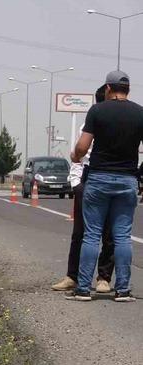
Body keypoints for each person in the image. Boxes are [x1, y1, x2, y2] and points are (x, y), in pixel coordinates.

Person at [67, 71, 142, 302]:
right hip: (127, 180)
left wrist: (76, 157)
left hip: (99, 178)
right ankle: (122, 290)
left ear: (108, 88)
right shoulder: (140, 113)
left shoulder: (98, 111)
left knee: (91, 235)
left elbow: (83, 145)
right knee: (122, 236)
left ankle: (82, 290)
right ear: (127, 89)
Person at [53, 85, 115, 293]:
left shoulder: (118, 124)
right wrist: (77, 185)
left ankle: (103, 278)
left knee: (109, 233)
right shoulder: (89, 125)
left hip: (110, 180)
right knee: (80, 232)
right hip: (87, 180)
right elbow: (78, 155)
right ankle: (73, 276)